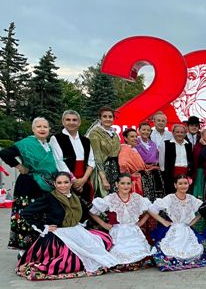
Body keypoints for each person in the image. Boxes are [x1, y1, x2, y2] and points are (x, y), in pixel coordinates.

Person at [16, 172, 118, 280]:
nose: (63, 185)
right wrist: (43, 227)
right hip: (58, 234)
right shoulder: (49, 198)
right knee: (70, 260)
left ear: (70, 183)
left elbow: (89, 208)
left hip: (76, 230)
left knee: (104, 239)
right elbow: (26, 213)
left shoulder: (75, 197)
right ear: (54, 184)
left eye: (66, 182)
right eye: (59, 183)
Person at [0, 117, 57, 251]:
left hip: (45, 185)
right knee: (26, 215)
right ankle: (24, 249)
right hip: (28, 185)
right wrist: (20, 167)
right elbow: (4, 153)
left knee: (41, 216)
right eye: (39, 126)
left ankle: (39, 247)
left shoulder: (49, 146)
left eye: (45, 126)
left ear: (49, 130)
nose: (42, 129)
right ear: (33, 129)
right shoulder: (27, 143)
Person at [148, 175, 206, 271]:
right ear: (175, 185)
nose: (183, 186)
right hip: (173, 228)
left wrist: (192, 222)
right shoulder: (170, 198)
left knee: (196, 248)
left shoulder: (191, 199)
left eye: (185, 183)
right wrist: (163, 221)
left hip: (186, 229)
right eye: (180, 183)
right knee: (168, 248)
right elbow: (151, 209)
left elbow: (204, 210)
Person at [89, 173, 154, 271]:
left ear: (132, 184)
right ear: (116, 184)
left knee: (140, 253)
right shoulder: (110, 199)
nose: (126, 186)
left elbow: (151, 209)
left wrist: (141, 222)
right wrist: (103, 224)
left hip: (134, 232)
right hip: (118, 233)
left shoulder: (136, 198)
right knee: (119, 255)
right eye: (122, 183)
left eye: (128, 183)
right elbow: (92, 212)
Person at [49, 110, 96, 201]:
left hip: (84, 180)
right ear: (63, 122)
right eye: (68, 120)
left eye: (74, 120)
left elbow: (91, 161)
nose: (71, 122)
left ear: (79, 122)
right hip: (65, 181)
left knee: (86, 209)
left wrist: (83, 180)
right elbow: (59, 161)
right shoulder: (56, 138)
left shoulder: (85, 140)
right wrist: (73, 181)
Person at [87, 107, 121, 197]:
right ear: (100, 119)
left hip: (115, 169)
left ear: (113, 119)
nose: (107, 119)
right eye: (104, 116)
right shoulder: (94, 133)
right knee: (104, 197)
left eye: (110, 117)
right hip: (102, 170)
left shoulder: (114, 134)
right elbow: (96, 156)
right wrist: (103, 178)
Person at [158, 124, 193, 194]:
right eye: (177, 132)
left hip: (185, 173)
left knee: (184, 193)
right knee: (171, 193)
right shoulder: (165, 144)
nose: (179, 134)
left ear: (185, 133)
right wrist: (164, 174)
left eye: (182, 132)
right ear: (173, 133)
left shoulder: (189, 145)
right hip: (171, 173)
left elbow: (190, 159)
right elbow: (161, 161)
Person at [134, 122, 165, 201]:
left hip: (154, 171)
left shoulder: (153, 144)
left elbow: (157, 157)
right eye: (143, 130)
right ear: (139, 130)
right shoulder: (135, 142)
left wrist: (155, 163)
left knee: (157, 192)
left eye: (148, 130)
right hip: (142, 171)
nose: (146, 132)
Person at [118, 128, 153, 196]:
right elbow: (123, 164)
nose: (135, 138)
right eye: (132, 136)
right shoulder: (125, 148)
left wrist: (152, 166)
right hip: (134, 182)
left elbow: (140, 164)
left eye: (136, 136)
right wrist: (129, 176)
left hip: (139, 179)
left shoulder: (133, 148)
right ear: (125, 138)